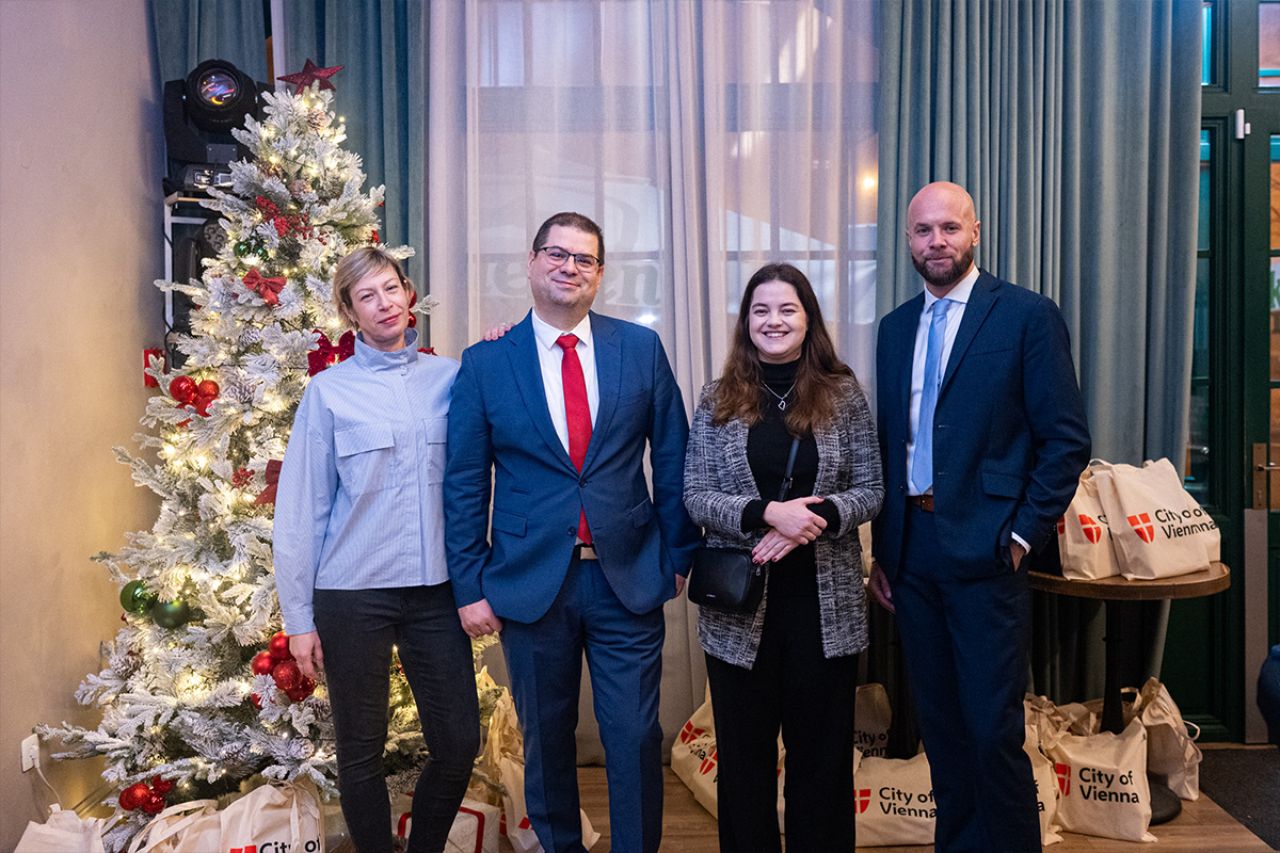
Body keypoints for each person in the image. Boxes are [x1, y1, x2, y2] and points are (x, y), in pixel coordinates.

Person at [443, 212, 701, 853]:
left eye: (584, 258)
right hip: (530, 583)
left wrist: (678, 554)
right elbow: (465, 483)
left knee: (635, 737)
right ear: (531, 263)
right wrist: (469, 584)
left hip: (628, 577)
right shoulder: (487, 362)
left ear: (600, 274)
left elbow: (674, 456)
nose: (569, 267)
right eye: (557, 254)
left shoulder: (639, 349)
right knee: (546, 740)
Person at [870, 181, 1091, 852]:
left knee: (993, 729)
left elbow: (1066, 441)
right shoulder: (894, 329)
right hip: (911, 552)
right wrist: (884, 550)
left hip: (990, 549)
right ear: (908, 241)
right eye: (923, 231)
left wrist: (1022, 534)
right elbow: (892, 444)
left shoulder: (1025, 315)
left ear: (975, 232)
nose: (936, 241)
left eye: (949, 227)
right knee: (940, 727)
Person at [273, 247, 480, 853]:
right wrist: (298, 619)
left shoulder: (453, 379)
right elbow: (301, 511)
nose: (384, 304)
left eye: (391, 288)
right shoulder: (328, 394)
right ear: (349, 312)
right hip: (352, 594)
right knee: (360, 752)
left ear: (408, 293)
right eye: (367, 296)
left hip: (436, 592)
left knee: (458, 744)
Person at [683, 262, 883, 853]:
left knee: (821, 765)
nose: (774, 321)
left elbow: (872, 488)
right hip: (738, 613)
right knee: (743, 766)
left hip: (824, 614)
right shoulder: (717, 398)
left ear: (808, 319)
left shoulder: (842, 393)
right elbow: (696, 493)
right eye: (761, 310)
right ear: (746, 321)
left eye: (787, 309)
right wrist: (768, 514)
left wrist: (806, 523)